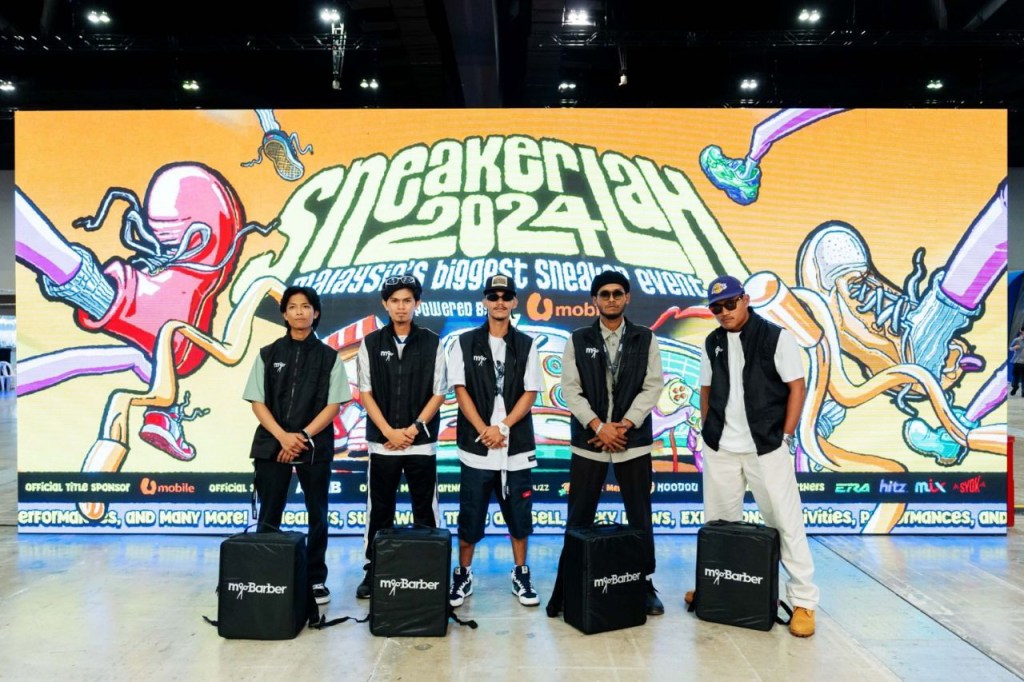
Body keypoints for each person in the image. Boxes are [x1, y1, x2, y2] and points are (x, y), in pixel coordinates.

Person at [689, 275, 819, 637]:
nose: (724, 312)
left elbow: (796, 387)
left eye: (730, 303)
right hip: (721, 449)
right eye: (716, 307)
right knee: (719, 525)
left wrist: (786, 436)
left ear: (745, 299)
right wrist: (709, 431)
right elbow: (706, 389)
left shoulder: (777, 337)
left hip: (766, 447)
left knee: (785, 524)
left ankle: (803, 601)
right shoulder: (712, 341)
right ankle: (716, 588)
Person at [554, 270, 666, 616]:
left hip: (633, 442)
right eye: (605, 294)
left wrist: (625, 424)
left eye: (618, 293)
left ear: (627, 297)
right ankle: (568, 585)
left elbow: (653, 386)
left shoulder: (645, 338)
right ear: (595, 300)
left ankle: (644, 583)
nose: (612, 299)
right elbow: (570, 389)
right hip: (590, 441)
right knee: (579, 517)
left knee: (640, 517)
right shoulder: (578, 339)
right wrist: (599, 426)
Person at [243, 285, 350, 605]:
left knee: (318, 513)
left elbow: (334, 405)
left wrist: (300, 437)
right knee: (269, 512)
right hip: (272, 444)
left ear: (316, 313)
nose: (299, 312)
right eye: (293, 306)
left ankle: (316, 578)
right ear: (284, 314)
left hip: (313, 446)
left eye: (306, 306)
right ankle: (265, 575)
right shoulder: (268, 354)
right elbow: (257, 402)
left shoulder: (330, 357)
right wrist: (282, 437)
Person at [446, 273, 542, 607]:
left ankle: (521, 573)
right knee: (470, 515)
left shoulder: (527, 344)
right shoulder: (464, 342)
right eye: (493, 296)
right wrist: (484, 429)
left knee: (519, 515)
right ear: (485, 301)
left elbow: (530, 392)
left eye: (505, 297)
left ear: (514, 302)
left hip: (515, 446)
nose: (499, 302)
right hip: (477, 447)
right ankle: (463, 573)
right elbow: (460, 390)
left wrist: (502, 427)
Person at [354, 274, 447, 598]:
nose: (401, 306)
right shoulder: (370, 342)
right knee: (380, 510)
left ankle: (431, 570)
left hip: (420, 442)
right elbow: (365, 392)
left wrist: (413, 429)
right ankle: (374, 569)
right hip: (383, 444)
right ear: (385, 304)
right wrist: (388, 432)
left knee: (425, 509)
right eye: (394, 301)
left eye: (407, 300)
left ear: (416, 304)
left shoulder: (432, 342)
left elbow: (439, 392)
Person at [1011, 329, 1024, 396]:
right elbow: (1010, 348)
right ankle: (1015, 387)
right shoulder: (1017, 340)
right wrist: (1014, 348)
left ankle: (1023, 392)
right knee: (1016, 376)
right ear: (1022, 332)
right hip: (1018, 361)